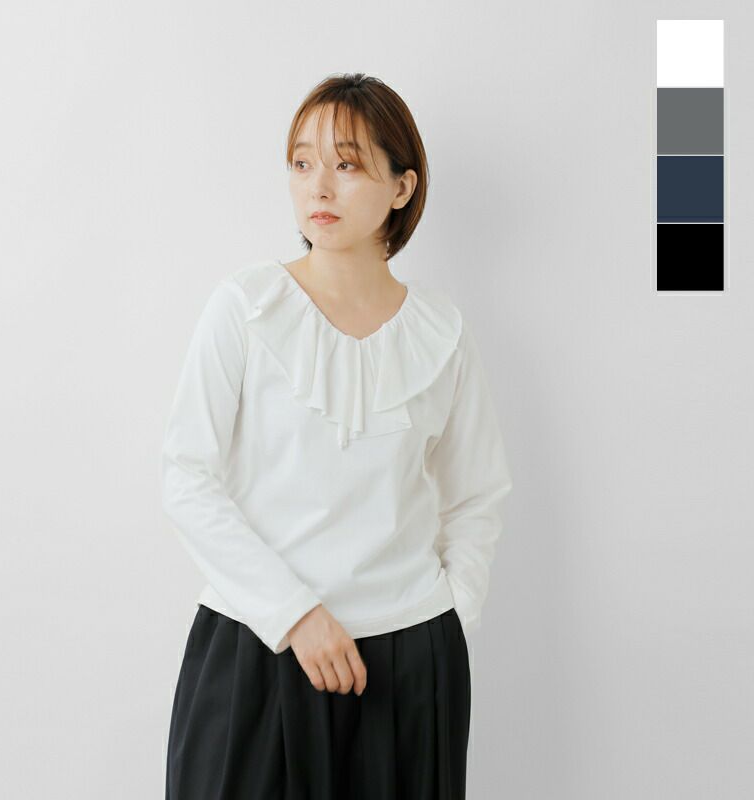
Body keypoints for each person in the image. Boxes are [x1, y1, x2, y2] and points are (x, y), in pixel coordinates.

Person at [160, 72, 513, 800]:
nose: (318, 186)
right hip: (258, 650)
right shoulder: (246, 307)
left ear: (402, 186)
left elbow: (476, 495)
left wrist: (447, 618)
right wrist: (294, 614)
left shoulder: (442, 332)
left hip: (410, 670)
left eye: (346, 164)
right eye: (302, 162)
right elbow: (187, 477)